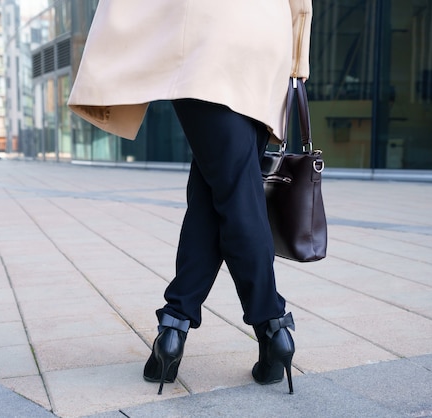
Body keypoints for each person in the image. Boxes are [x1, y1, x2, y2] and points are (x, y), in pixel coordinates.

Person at [68, 0, 313, 395]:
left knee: (233, 193)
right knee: (216, 191)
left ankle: (265, 322)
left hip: (209, 36)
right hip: (266, 39)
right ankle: (188, 322)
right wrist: (297, 59)